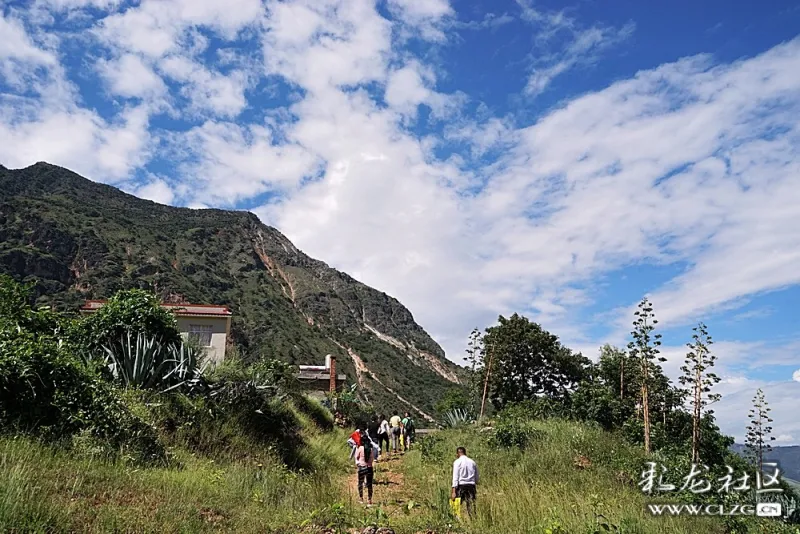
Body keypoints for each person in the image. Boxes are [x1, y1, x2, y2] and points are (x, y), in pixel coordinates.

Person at [451, 446, 478, 516]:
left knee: (457, 505)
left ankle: (457, 519)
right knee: (471, 505)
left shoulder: (457, 462)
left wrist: (453, 491)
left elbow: (455, 477)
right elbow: (477, 477)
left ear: (457, 454)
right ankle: (473, 520)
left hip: (461, 486)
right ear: (465, 453)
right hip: (471, 486)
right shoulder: (472, 462)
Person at [355, 430, 376, 505]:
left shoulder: (360, 448)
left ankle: (361, 499)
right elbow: (372, 458)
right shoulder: (371, 449)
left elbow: (357, 457)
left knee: (360, 483)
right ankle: (369, 500)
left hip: (361, 467)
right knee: (369, 484)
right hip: (369, 468)